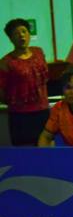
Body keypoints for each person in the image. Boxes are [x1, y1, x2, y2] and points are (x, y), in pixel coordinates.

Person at [0, 18, 49, 146]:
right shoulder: (6, 62)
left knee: (46, 150)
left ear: (29, 34)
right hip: (20, 116)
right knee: (24, 151)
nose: (21, 35)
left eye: (24, 31)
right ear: (10, 38)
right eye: (16, 33)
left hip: (43, 111)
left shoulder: (39, 52)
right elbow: (1, 92)